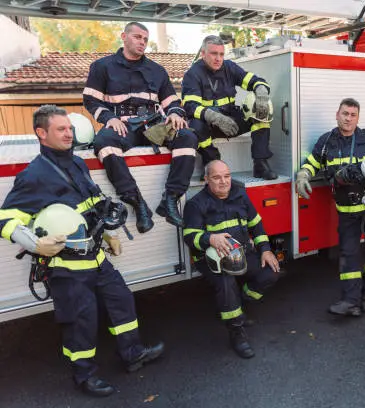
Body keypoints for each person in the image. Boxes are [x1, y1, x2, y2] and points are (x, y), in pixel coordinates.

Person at [0, 105, 164, 397]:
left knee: (122, 301)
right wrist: (36, 244)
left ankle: (133, 353)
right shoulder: (34, 175)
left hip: (97, 256)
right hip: (67, 267)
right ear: (42, 133)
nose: (68, 133)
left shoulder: (76, 163)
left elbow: (94, 206)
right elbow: (6, 220)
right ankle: (84, 375)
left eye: (69, 128)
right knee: (80, 320)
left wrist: (111, 235)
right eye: (61, 129)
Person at [84, 22, 199, 233]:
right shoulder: (102, 67)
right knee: (104, 143)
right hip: (122, 126)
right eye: (137, 37)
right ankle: (138, 204)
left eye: (145, 39)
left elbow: (172, 101)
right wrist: (109, 118)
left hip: (153, 125)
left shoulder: (157, 70)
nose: (142, 42)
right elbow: (91, 100)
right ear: (124, 37)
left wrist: (174, 112)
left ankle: (171, 200)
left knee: (187, 137)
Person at [295, 98, 365, 317]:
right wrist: (303, 175)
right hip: (348, 212)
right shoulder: (326, 141)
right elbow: (312, 162)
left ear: (358, 118)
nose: (348, 118)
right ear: (337, 114)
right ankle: (350, 301)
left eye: (352, 115)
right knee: (348, 254)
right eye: (345, 114)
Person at [183, 160, 280, 358]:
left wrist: (265, 249)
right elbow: (190, 236)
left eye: (226, 176)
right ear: (206, 179)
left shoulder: (240, 195)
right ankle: (237, 333)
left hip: (242, 252)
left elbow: (256, 224)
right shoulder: (196, 204)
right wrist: (210, 238)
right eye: (216, 177)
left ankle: (240, 306)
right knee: (227, 285)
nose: (223, 181)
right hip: (212, 258)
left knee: (271, 272)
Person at [181, 35, 277, 180]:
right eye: (214, 53)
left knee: (261, 110)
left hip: (232, 120)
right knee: (194, 124)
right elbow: (191, 107)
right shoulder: (192, 74)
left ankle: (260, 164)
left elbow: (254, 81)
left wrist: (262, 92)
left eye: (221, 54)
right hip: (209, 125)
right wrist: (216, 118)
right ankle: (212, 162)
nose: (218, 58)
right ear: (203, 53)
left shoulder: (229, 67)